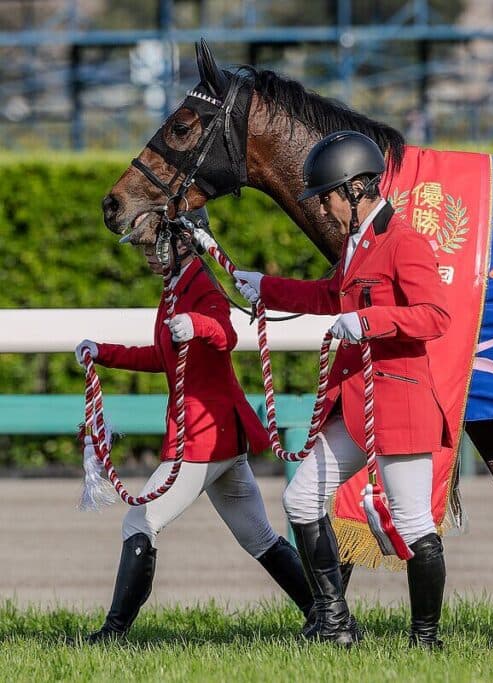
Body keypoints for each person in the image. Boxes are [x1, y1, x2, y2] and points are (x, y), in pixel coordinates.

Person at [232, 131, 452, 649]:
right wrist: (265, 286)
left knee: (413, 520)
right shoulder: (358, 245)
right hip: (354, 405)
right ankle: (334, 624)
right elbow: (331, 295)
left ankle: (426, 639)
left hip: (398, 402)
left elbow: (436, 315)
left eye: (328, 196)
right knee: (301, 498)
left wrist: (369, 322)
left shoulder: (405, 241)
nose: (325, 209)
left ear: (356, 190)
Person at [75, 208, 313, 643]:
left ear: (183, 242)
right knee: (258, 536)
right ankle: (324, 613)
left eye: (153, 243)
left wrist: (198, 325)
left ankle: (113, 633)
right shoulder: (173, 289)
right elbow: (162, 357)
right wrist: (103, 352)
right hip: (219, 436)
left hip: (205, 436)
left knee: (139, 523)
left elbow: (226, 334)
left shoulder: (202, 287)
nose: (147, 252)